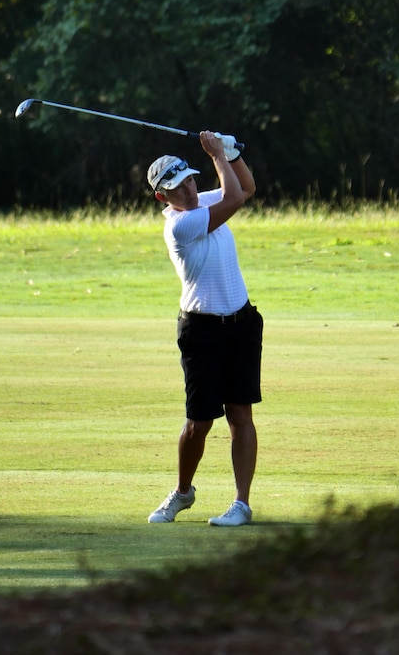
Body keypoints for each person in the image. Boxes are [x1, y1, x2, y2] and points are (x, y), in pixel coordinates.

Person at [146, 130, 262, 527]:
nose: (191, 190)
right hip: (202, 331)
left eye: (192, 180)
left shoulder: (202, 200)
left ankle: (241, 504)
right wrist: (217, 155)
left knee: (240, 414)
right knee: (199, 422)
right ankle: (183, 492)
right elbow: (232, 197)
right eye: (179, 188)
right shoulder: (181, 226)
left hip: (242, 323)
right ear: (164, 197)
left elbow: (245, 187)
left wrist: (230, 152)